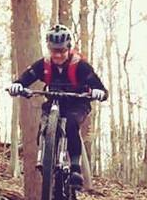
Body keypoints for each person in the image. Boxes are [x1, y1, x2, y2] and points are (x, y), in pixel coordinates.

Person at [9, 24, 108, 187]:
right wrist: (18, 85)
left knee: (70, 123)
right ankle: (45, 160)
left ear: (69, 48)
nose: (58, 55)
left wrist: (99, 92)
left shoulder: (81, 66)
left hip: (77, 103)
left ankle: (75, 168)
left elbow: (100, 88)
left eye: (62, 50)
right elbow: (25, 78)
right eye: (54, 51)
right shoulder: (44, 64)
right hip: (54, 101)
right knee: (44, 124)